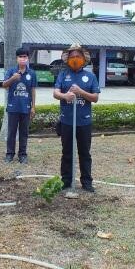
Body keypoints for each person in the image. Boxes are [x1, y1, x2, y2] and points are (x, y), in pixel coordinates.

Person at [53, 43, 100, 192]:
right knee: (67, 152)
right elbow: (55, 93)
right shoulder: (63, 74)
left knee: (84, 153)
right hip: (66, 120)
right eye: (72, 56)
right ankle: (66, 181)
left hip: (84, 121)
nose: (74, 59)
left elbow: (95, 98)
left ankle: (86, 182)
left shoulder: (90, 76)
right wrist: (65, 96)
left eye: (77, 56)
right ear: (67, 59)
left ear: (83, 58)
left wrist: (80, 92)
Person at [2, 48, 37, 163]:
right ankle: (9, 154)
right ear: (16, 58)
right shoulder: (11, 71)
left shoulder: (31, 73)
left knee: (24, 132)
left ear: (27, 59)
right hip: (13, 107)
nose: (23, 59)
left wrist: (33, 106)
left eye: (25, 57)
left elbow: (32, 90)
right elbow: (4, 85)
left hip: (25, 108)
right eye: (20, 57)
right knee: (11, 132)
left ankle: (22, 154)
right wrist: (13, 78)